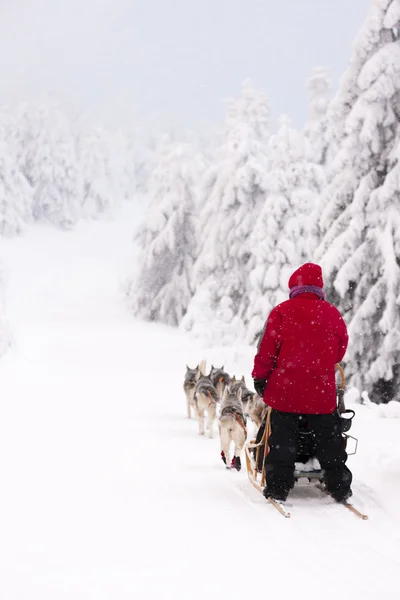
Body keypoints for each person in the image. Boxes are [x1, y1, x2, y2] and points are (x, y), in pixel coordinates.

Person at [252, 262, 352, 503]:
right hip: (321, 394)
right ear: (319, 287)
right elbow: (340, 350)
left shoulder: (281, 311)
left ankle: (278, 487)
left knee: (282, 442)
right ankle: (339, 486)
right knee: (329, 443)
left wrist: (260, 378)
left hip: (285, 391)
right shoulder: (332, 313)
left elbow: (267, 350)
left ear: (294, 286)